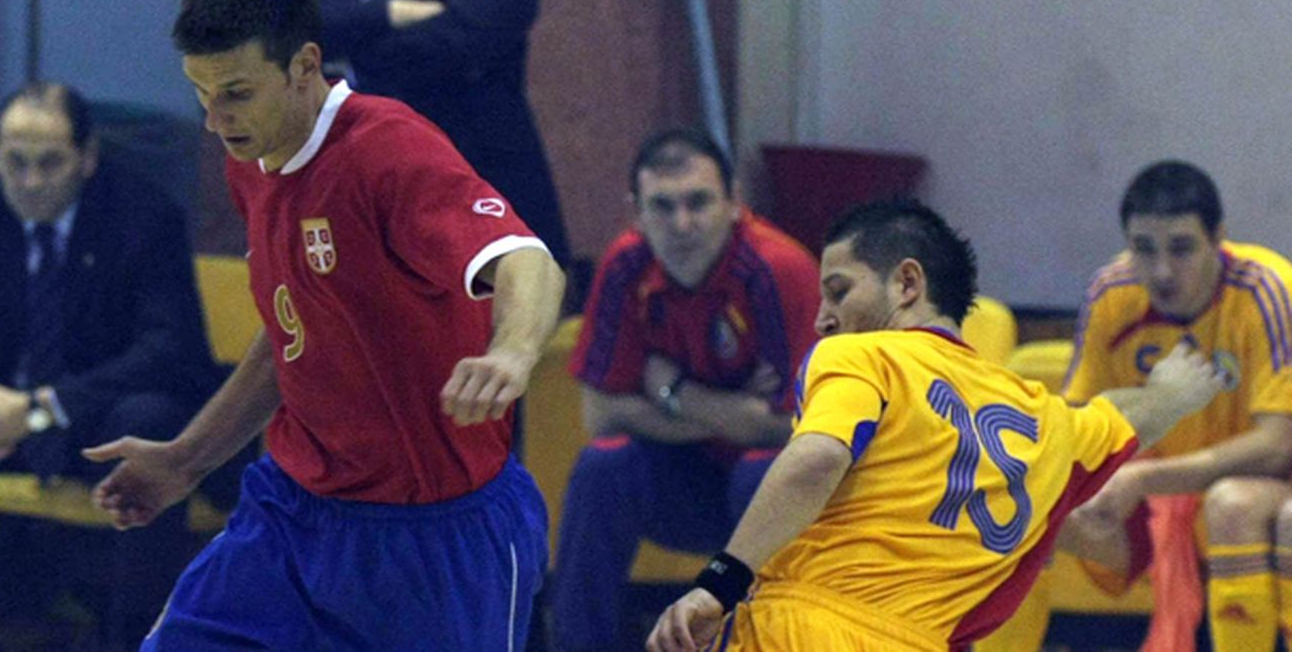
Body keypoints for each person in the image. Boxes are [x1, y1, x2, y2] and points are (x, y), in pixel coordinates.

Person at [82, 0, 565, 652]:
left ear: (304, 66)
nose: (216, 120)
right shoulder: (252, 161)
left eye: (237, 93)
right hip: (293, 515)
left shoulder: (388, 151)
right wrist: (188, 458)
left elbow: (529, 260)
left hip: (435, 535)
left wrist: (512, 352)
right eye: (201, 93)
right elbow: (294, 330)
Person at [645, 198, 1227, 652]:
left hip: (805, 626)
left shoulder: (860, 355)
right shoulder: (1044, 420)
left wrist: (719, 582)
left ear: (906, 283)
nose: (822, 319)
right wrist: (1172, 394)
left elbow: (818, 457)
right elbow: (1125, 417)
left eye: (839, 291)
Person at [981, 161, 1292, 652]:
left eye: (1182, 248)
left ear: (1219, 238)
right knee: (1021, 505)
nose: (1162, 271)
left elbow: (1279, 446)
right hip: (1155, 494)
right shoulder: (1112, 291)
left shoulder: (1267, 290)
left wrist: (1144, 478)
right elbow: (1077, 423)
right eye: (1144, 249)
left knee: (1231, 503)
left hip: (1254, 483)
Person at [551, 128, 821, 651]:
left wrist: (672, 391)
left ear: (734, 203)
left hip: (773, 498)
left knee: (759, 468)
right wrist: (735, 413)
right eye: (663, 206)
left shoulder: (778, 269)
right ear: (636, 212)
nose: (682, 224)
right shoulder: (626, 265)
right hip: (684, 483)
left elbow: (802, 434)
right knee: (604, 464)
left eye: (698, 202)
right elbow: (601, 415)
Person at [0, 83, 216, 635]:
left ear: (87, 158)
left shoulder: (143, 218)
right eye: (15, 163)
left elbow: (172, 352)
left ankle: (136, 638)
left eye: (50, 163)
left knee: (149, 424)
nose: (30, 182)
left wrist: (40, 408)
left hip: (89, 425)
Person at [292, 0, 570, 267]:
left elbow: (465, 40)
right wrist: (386, 13)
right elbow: (284, 26)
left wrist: (340, 55)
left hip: (466, 176)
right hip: (347, 187)